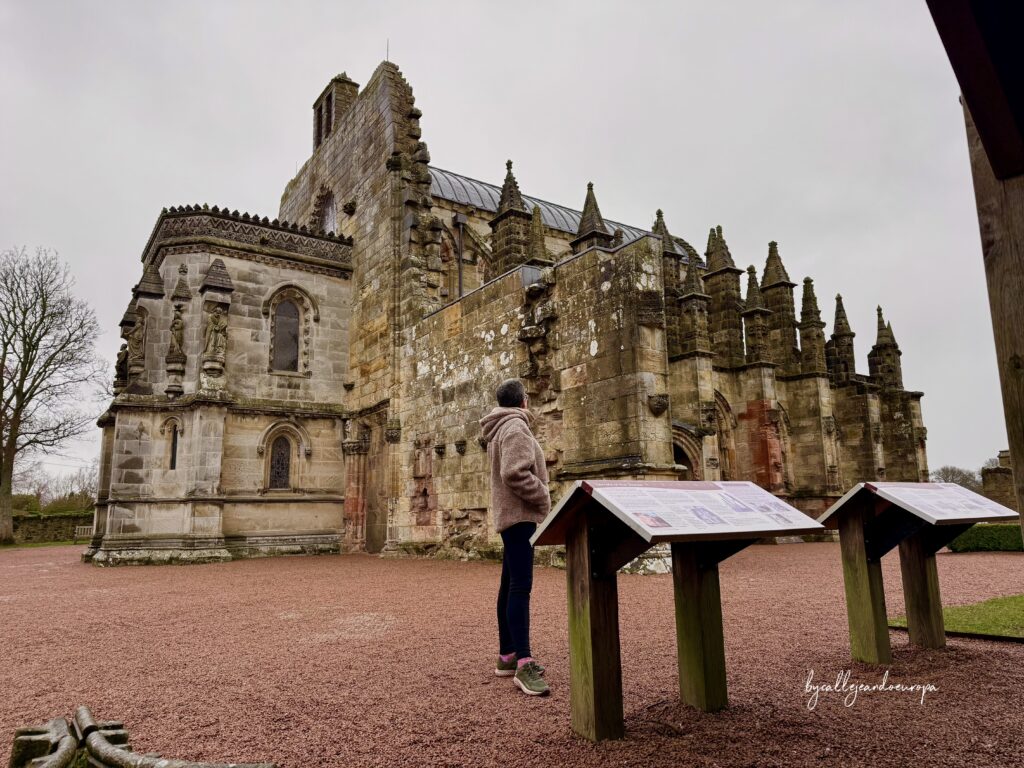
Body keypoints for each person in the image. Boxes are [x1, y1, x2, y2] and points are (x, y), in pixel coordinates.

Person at [479, 378, 551, 696]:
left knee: (508, 585)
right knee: (520, 589)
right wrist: (543, 495)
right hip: (520, 516)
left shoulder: (500, 427)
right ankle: (524, 663)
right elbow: (514, 472)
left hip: (511, 516)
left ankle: (507, 655)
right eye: (528, 397)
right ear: (523, 400)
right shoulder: (515, 427)